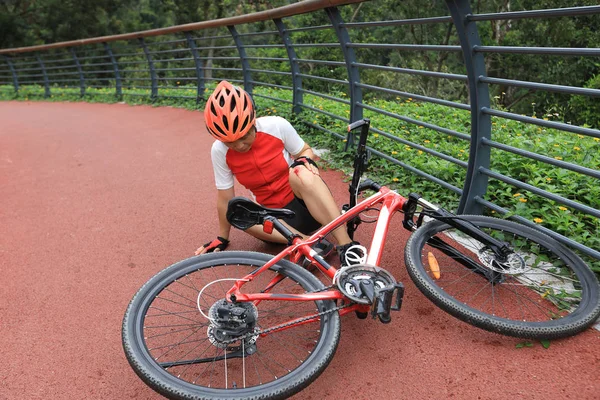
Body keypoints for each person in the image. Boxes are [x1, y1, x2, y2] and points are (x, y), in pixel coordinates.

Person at [195, 80, 360, 265]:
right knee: (236, 210)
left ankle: (346, 245)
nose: (239, 145)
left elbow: (305, 151)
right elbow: (225, 198)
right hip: (276, 224)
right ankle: (308, 244)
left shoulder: (276, 126)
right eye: (229, 142)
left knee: (300, 170)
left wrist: (305, 160)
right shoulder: (219, 151)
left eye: (243, 137)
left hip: (308, 208)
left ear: (253, 120)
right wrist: (222, 237)